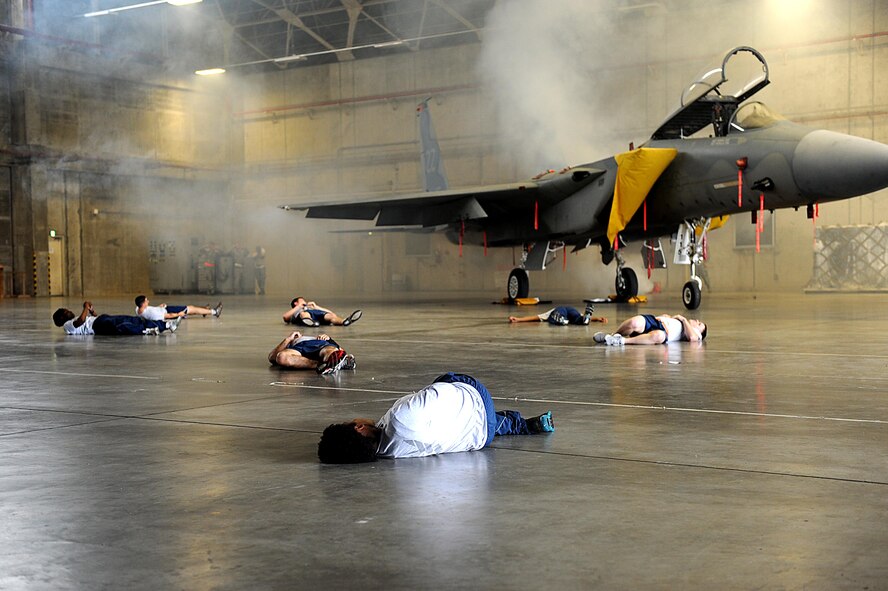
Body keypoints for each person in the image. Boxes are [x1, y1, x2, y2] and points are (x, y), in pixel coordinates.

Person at [317, 372, 555, 463]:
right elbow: (440, 392)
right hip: (478, 398)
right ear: (358, 428)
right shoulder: (400, 416)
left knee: (467, 421)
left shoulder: (389, 454)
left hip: (482, 437)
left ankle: (521, 424)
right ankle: (511, 420)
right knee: (444, 379)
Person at [53, 301, 179, 336]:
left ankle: (160, 326)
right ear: (62, 317)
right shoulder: (67, 326)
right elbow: (80, 322)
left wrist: (91, 311)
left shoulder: (72, 321)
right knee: (125, 324)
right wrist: (85, 307)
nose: (69, 311)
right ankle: (165, 326)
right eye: (66, 312)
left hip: (100, 321)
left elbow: (89, 318)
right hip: (99, 326)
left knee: (129, 321)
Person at [268, 330, 356, 375]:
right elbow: (272, 357)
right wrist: (288, 339)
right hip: (298, 350)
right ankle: (326, 364)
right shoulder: (289, 343)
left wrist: (330, 339)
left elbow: (340, 350)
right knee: (281, 357)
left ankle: (332, 361)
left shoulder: (313, 338)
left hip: (317, 344)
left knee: (329, 351)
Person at [593, 313, 706, 345]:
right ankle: (613, 335)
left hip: (663, 332)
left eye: (699, 324)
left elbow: (692, 338)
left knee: (659, 336)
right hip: (656, 321)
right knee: (634, 322)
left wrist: (683, 319)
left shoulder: (696, 334)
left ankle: (621, 341)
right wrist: (668, 317)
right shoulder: (681, 322)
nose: (697, 320)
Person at [283, 297, 362, 327]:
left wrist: (316, 307)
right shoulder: (297, 310)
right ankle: (309, 321)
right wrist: (299, 306)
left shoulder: (312, 307)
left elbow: (332, 314)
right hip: (304, 315)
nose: (304, 301)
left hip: (317, 315)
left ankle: (344, 321)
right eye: (302, 300)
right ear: (295, 303)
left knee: (330, 316)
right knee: (304, 314)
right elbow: (285, 317)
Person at [134, 295, 222, 321]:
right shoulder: (152, 314)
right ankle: (214, 312)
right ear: (143, 304)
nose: (148, 301)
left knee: (189, 308)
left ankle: (205, 311)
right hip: (169, 312)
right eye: (146, 301)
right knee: (190, 309)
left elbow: (150, 311)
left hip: (164, 309)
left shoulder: (138, 309)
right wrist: (178, 314)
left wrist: (158, 307)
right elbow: (167, 316)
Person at [509, 303, 606, 326]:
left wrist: (518, 319)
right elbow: (580, 315)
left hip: (560, 310)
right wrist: (597, 318)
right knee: (579, 319)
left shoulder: (551, 312)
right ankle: (586, 320)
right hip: (572, 311)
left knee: (553, 317)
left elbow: (536, 317)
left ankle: (559, 319)